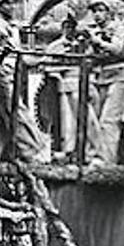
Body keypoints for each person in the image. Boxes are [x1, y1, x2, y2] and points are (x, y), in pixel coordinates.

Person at [0, 0, 51, 164]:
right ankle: (34, 149)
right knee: (16, 111)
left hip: (11, 72)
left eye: (13, 2)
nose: (11, 6)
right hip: (0, 72)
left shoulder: (12, 28)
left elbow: (21, 56)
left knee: (4, 117)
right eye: (6, 2)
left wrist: (43, 57)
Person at [82, 0, 124, 165]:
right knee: (98, 120)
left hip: (120, 74)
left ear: (109, 12)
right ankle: (120, 160)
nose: (97, 14)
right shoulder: (96, 30)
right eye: (94, 11)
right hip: (102, 77)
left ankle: (106, 161)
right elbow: (91, 54)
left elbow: (117, 48)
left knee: (109, 120)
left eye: (101, 10)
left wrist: (98, 41)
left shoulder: (118, 27)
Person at [45, 14, 84, 158]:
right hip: (62, 85)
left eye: (72, 27)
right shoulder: (55, 46)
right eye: (67, 27)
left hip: (79, 82)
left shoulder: (78, 45)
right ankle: (65, 149)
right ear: (62, 28)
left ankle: (77, 150)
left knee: (78, 118)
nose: (70, 30)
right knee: (65, 120)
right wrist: (59, 78)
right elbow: (49, 66)